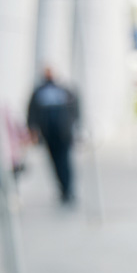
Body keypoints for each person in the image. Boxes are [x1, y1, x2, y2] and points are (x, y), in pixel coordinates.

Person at [26, 67, 81, 208]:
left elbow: (75, 108)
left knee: (65, 161)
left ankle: (68, 189)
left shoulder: (64, 90)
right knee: (55, 162)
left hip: (63, 133)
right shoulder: (39, 92)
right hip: (49, 134)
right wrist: (33, 130)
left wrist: (74, 126)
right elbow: (31, 112)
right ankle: (62, 189)